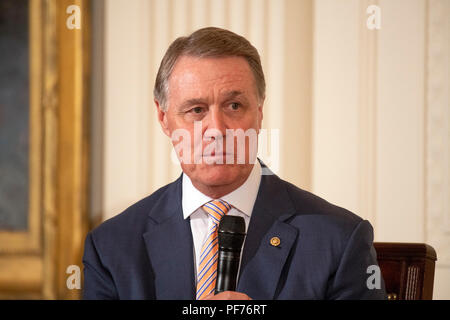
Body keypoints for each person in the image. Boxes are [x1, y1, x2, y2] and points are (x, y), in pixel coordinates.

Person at [82, 27, 387, 300]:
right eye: (196, 109)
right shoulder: (112, 247)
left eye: (234, 106)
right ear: (163, 117)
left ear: (260, 111)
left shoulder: (339, 240)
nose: (217, 129)